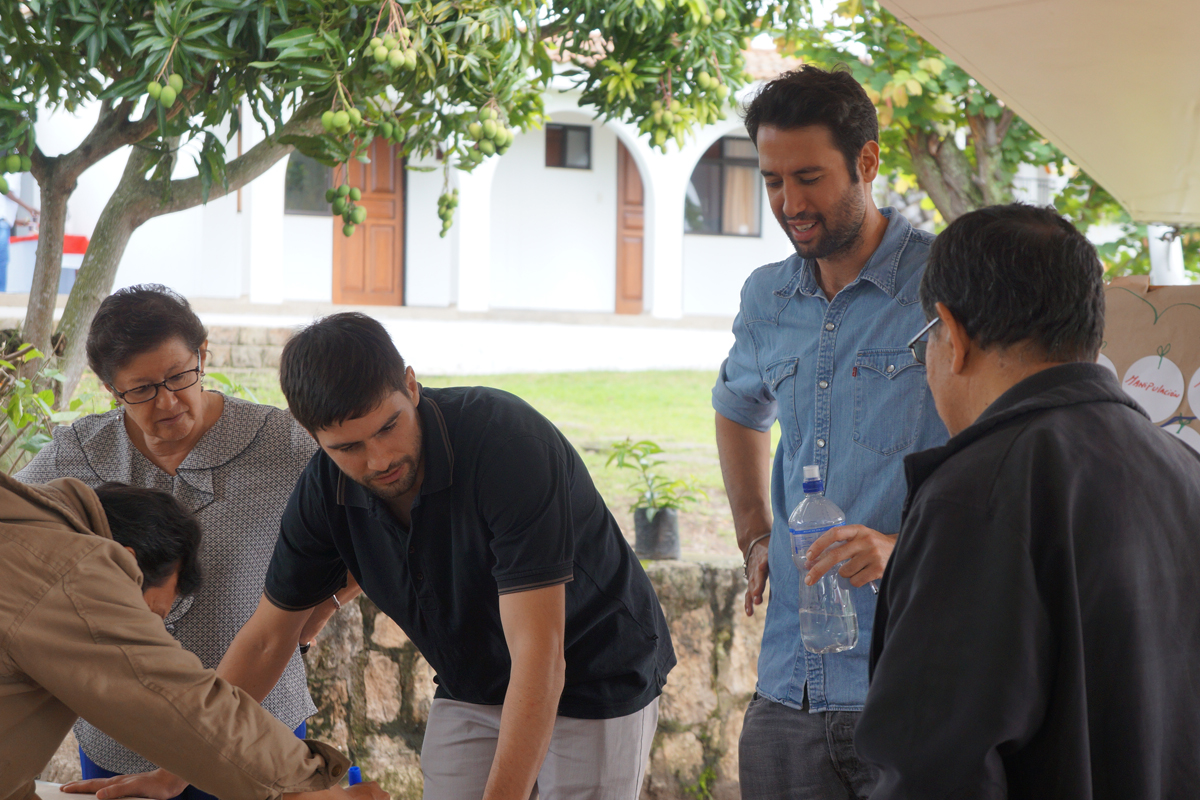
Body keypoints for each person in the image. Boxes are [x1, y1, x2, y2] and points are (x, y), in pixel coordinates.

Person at [213, 312, 676, 800]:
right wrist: (180, 763)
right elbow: (267, 640)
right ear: (313, 437)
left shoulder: (507, 443)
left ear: (411, 386)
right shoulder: (322, 490)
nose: (379, 459)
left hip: (594, 670)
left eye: (388, 427)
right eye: (348, 447)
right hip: (472, 679)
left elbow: (540, 658)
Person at [855, 203, 1200, 798]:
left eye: (924, 346)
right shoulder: (1181, 469)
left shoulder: (975, 492)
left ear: (951, 335)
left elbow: (934, 768)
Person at [711, 65, 948, 799]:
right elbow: (736, 406)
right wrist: (755, 533)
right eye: (773, 180)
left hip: (914, 684)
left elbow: (1009, 456)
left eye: (808, 178)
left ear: (868, 162)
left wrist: (901, 550)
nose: (789, 204)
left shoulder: (945, 284)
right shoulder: (766, 296)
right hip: (790, 687)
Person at [16, 285, 335, 799]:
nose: (167, 402)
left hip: (254, 732)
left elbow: (377, 510)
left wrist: (325, 604)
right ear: (109, 389)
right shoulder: (75, 456)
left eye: (179, 377)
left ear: (202, 355)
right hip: (119, 740)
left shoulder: (284, 446)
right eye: (140, 390)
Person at [0, 472, 386, 800]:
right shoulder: (69, 568)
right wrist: (315, 785)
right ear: (127, 562)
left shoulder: (22, 526)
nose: (148, 636)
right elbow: (172, 697)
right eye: (147, 619)